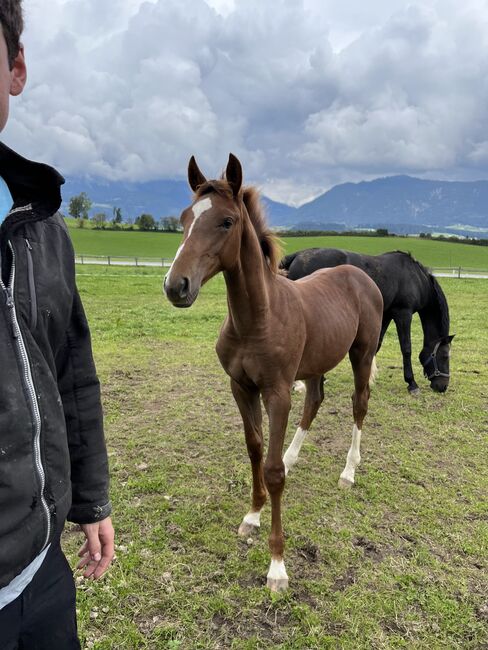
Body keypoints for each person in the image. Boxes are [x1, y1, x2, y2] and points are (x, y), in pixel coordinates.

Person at [0, 2, 114, 648]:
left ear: (15, 69)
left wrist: (91, 499)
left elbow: (71, 372)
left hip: (42, 573)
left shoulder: (44, 228)